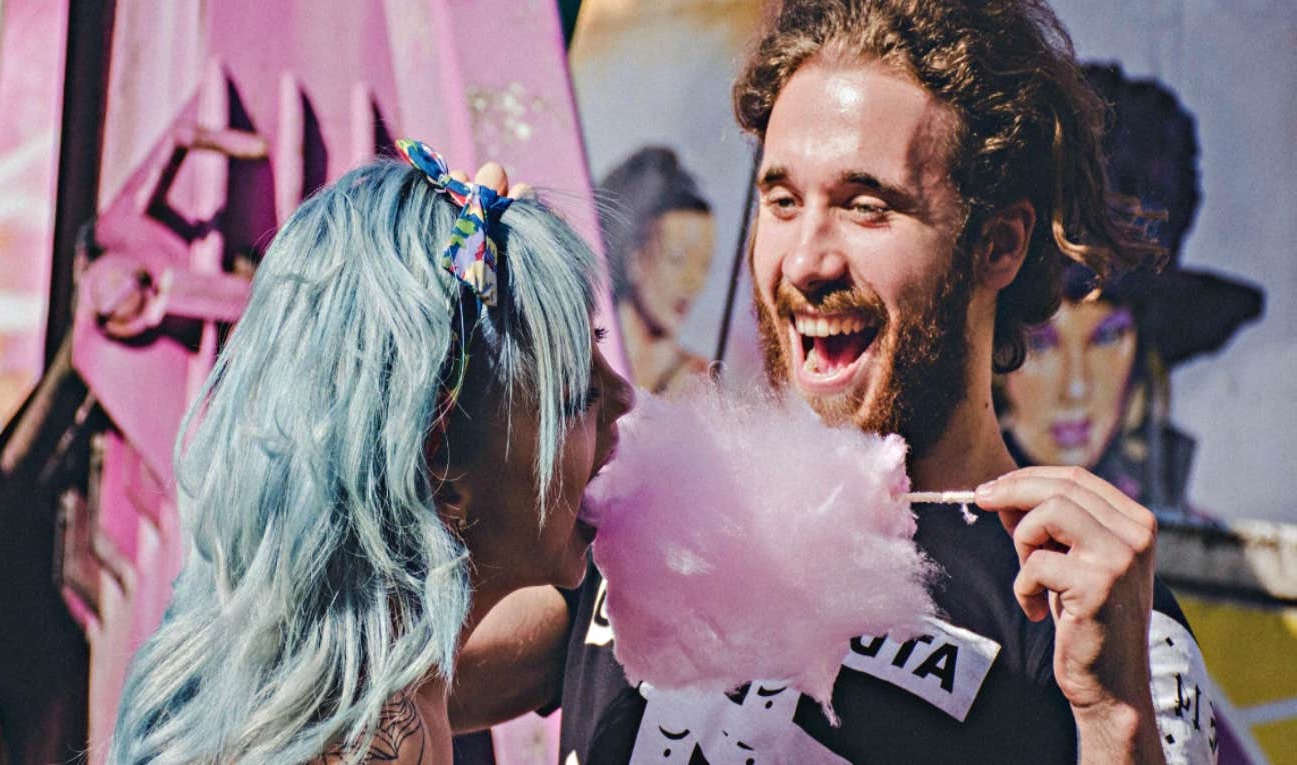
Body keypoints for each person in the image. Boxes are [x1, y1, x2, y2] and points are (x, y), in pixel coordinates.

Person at [453, 2, 1218, 763]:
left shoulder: (1095, 611)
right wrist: (437, 359)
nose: (805, 261)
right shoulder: (652, 504)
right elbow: (378, 689)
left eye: (865, 207)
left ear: (999, 244)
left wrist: (1116, 723)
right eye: (782, 202)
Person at [107, 143, 633, 764]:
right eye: (576, 396)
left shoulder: (349, 692)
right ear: (440, 475)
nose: (624, 396)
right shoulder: (389, 740)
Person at [1000, 63, 1264, 514]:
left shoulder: (1191, 546)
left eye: (1106, 337)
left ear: (1142, 348)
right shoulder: (928, 528)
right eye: (1041, 342)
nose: (1076, 389)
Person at [597, 146, 715, 392]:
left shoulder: (699, 383)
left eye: (704, 265)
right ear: (635, 258)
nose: (693, 282)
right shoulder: (577, 361)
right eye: (677, 259)